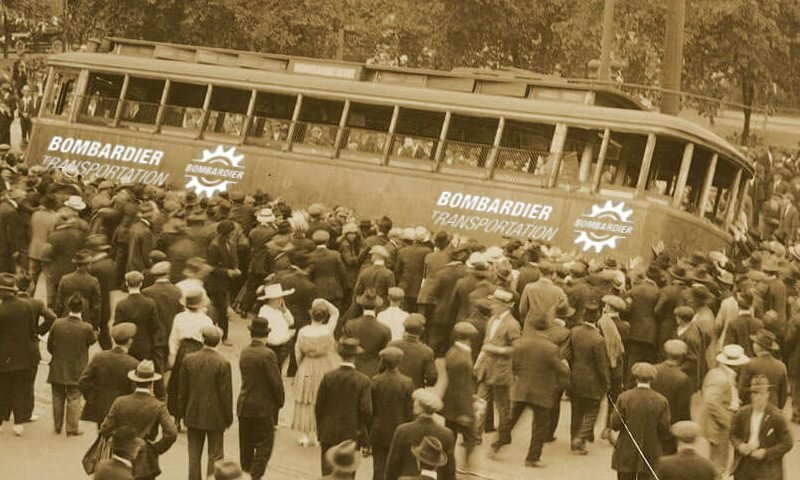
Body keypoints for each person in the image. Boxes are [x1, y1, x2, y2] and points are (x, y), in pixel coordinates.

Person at [504, 312, 570, 467]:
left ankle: (497, 444)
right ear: (547, 328)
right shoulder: (551, 348)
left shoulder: (521, 343)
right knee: (540, 425)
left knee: (512, 418)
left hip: (522, 388)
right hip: (541, 392)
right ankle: (532, 457)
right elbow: (561, 369)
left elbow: (514, 365)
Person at [100, 360, 177, 480]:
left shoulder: (119, 401)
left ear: (135, 382)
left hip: (121, 454)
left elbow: (105, 428)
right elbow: (171, 432)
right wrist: (156, 449)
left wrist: (117, 438)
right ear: (151, 383)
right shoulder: (158, 405)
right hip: (145, 460)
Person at [179, 326, 233, 480]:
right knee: (215, 455)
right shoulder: (223, 362)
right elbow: (226, 394)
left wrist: (181, 413)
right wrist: (228, 417)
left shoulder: (189, 359)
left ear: (203, 340)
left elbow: (183, 391)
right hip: (216, 416)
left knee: (194, 454)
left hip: (193, 413)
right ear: (218, 342)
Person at [315, 337, 372, 476]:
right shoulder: (363, 380)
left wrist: (321, 429)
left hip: (328, 431)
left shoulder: (328, 377)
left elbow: (319, 407)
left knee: (327, 473)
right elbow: (366, 410)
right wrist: (364, 434)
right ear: (355, 357)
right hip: (351, 434)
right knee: (347, 472)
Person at [238, 317, 285, 480]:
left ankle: (245, 473)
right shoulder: (268, 354)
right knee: (264, 445)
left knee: (246, 445)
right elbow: (275, 382)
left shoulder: (245, 351)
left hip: (245, 404)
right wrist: (279, 402)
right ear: (266, 335)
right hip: (263, 407)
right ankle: (255, 476)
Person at [474, 288, 520, 450]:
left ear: (504, 306)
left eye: (494, 303)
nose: (491, 305)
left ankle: (504, 436)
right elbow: (485, 344)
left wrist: (497, 349)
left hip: (501, 372)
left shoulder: (512, 325)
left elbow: (516, 349)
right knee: (480, 402)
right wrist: (478, 362)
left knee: (502, 407)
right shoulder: (492, 320)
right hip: (486, 369)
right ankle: (475, 436)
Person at [610, 362, 671, 480]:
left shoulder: (624, 397)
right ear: (652, 379)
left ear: (635, 377)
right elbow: (664, 429)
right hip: (651, 450)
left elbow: (615, 424)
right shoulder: (661, 400)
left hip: (626, 449)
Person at [47, 292, 97, 436]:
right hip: (77, 367)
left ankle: (57, 426)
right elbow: (92, 340)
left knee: (57, 396)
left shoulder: (57, 323)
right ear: (82, 309)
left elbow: (50, 345)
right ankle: (72, 427)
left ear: (68, 306)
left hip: (58, 366)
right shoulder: (86, 327)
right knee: (74, 397)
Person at [293, 299, 340, 447]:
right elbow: (336, 312)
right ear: (324, 316)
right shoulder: (328, 330)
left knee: (305, 399)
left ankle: (304, 435)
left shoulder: (303, 331)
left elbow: (297, 351)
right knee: (322, 399)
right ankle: (320, 433)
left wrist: (301, 366)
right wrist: (324, 301)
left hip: (307, 364)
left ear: (311, 314)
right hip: (324, 365)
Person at [729, 375, 794, 480]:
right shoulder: (742, 413)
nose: (757, 397)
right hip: (745, 465)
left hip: (766, 467)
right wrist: (740, 445)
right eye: (754, 393)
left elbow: (787, 443)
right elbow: (732, 434)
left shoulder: (777, 416)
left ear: (767, 394)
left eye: (760, 393)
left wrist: (766, 453)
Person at [166, 287, 213, 429]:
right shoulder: (206, 320)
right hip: (199, 351)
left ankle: (177, 418)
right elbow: (211, 339)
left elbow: (174, 339)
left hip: (183, 351)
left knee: (179, 385)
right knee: (197, 386)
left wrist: (172, 356)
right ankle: (193, 417)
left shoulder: (179, 317)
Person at [701, 344, 750, 477]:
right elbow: (711, 402)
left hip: (719, 426)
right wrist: (728, 423)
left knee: (719, 462)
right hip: (718, 428)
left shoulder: (718, 373)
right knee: (718, 465)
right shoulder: (720, 379)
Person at [385, 389, 456, 480]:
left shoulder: (402, 431)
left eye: (415, 402)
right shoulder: (447, 434)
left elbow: (392, 467)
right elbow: (450, 471)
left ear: (419, 407)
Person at [569, 300, 610, 455]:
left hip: (574, 378)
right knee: (593, 410)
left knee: (576, 411)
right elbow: (602, 365)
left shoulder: (574, 332)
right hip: (592, 382)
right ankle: (581, 437)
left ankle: (574, 441)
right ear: (597, 317)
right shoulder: (598, 339)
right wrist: (606, 382)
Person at [79, 323, 139, 428]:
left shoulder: (99, 357)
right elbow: (135, 390)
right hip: (122, 410)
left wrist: (93, 397)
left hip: (100, 407)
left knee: (102, 432)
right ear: (129, 341)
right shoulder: (133, 363)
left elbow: (83, 381)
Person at [0, 272, 37, 436]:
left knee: (3, 390)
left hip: (4, 358)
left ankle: (0, 422)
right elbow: (31, 330)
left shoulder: (1, 309)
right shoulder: (26, 306)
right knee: (19, 389)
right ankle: (19, 423)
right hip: (23, 356)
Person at [370, 346, 414, 480]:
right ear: (399, 362)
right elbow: (409, 411)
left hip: (379, 430)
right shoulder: (407, 382)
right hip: (399, 430)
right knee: (395, 467)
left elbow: (371, 408)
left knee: (379, 467)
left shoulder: (376, 380)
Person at [441, 321, 479, 466]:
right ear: (469, 338)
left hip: (450, 403)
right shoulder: (463, 359)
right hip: (460, 406)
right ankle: (465, 465)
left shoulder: (453, 351)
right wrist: (466, 412)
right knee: (471, 437)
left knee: (450, 436)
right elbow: (461, 388)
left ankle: (447, 464)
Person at [114, 271, 164, 368]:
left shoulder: (121, 304)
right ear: (141, 284)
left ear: (127, 284)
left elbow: (117, 326)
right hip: (146, 344)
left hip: (127, 345)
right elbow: (154, 326)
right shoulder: (150, 303)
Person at [651, 339, 693, 454]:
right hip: (669, 428)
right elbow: (683, 409)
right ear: (682, 357)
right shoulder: (683, 379)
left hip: (649, 423)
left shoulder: (653, 370)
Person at [142, 261, 184, 371]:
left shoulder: (147, 292)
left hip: (155, 334)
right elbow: (181, 314)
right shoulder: (177, 291)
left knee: (158, 366)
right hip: (172, 332)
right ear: (168, 274)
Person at [206, 220, 241, 343]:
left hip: (226, 283)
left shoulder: (230, 243)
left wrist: (235, 268)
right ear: (227, 232)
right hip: (217, 284)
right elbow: (211, 267)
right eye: (232, 231)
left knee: (221, 310)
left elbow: (232, 259)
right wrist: (227, 272)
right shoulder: (214, 246)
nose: (234, 233)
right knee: (221, 311)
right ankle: (222, 336)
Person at [342, 289, 391, 377]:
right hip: (375, 371)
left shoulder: (350, 325)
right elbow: (385, 355)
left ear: (362, 305)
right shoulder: (384, 329)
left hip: (354, 369)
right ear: (376, 306)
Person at [738, 329, 789, 409]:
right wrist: (777, 409)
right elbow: (783, 395)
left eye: (755, 343)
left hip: (753, 407)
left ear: (759, 346)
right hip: (773, 407)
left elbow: (741, 391)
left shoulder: (749, 363)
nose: (753, 345)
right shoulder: (781, 366)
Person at [388, 314, 437, 389]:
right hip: (414, 390)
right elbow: (432, 377)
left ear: (405, 329)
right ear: (422, 331)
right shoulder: (427, 351)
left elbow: (382, 369)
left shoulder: (392, 345)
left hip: (392, 388)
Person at [55, 249, 102, 330]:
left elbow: (59, 303)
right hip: (85, 320)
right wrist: (95, 326)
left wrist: (58, 320)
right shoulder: (93, 281)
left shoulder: (65, 279)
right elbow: (96, 307)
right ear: (87, 265)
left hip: (66, 317)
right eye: (90, 264)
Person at [256, 282, 296, 370]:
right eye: (277, 298)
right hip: (272, 348)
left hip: (280, 348)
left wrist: (285, 311)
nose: (280, 301)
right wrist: (288, 335)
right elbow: (272, 339)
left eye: (281, 298)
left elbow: (291, 322)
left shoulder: (279, 310)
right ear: (270, 299)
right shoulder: (265, 312)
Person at [308, 229, 349, 311]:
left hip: (317, 291)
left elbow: (309, 275)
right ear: (327, 241)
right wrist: (346, 289)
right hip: (334, 290)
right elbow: (343, 275)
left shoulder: (310, 256)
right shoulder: (335, 255)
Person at [519, 261, 567, 325]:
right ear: (553, 275)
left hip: (531, 324)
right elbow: (564, 310)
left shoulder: (529, 288)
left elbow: (522, 309)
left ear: (540, 273)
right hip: (549, 325)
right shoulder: (558, 291)